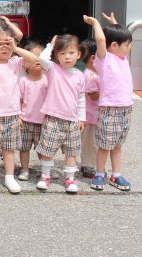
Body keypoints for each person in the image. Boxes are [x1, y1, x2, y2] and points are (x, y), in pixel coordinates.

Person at [0, 25, 39, 194]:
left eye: (7, 43)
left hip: (12, 114)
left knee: (9, 149)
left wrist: (15, 48)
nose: (4, 47)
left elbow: (34, 59)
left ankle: (9, 177)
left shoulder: (15, 62)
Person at [83, 13, 133, 191]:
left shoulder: (122, 58)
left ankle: (116, 174)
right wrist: (96, 23)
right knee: (104, 145)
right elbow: (101, 40)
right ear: (114, 45)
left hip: (125, 108)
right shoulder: (104, 60)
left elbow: (119, 39)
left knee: (117, 145)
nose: (128, 48)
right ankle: (99, 173)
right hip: (108, 108)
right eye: (126, 45)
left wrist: (115, 24)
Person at [36, 35, 85, 193]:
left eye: (71, 53)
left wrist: (81, 118)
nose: (67, 57)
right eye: (62, 53)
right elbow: (42, 58)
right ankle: (45, 176)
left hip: (72, 120)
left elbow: (81, 98)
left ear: (79, 54)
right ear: (57, 56)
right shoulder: (53, 70)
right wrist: (50, 45)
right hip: (53, 117)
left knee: (71, 151)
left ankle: (70, 178)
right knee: (48, 149)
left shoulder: (80, 75)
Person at [17, 42, 47, 181]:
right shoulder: (22, 80)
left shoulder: (48, 79)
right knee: (24, 147)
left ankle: (46, 169)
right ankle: (24, 169)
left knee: (43, 148)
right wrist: (18, 116)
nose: (37, 60)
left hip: (44, 120)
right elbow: (18, 100)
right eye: (33, 57)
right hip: (26, 119)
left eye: (40, 56)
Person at [80, 38, 100, 178]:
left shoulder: (95, 74)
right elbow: (93, 96)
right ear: (94, 58)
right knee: (90, 143)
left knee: (93, 143)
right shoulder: (91, 76)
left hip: (94, 115)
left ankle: (91, 164)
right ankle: (88, 166)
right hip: (90, 116)